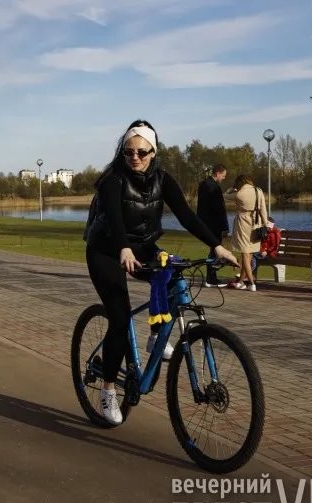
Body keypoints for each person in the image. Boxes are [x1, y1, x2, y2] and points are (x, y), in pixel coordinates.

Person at [83, 119, 239, 425]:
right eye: (129, 152)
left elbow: (187, 216)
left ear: (153, 151)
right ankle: (109, 388)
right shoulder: (113, 179)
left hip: (142, 247)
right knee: (119, 316)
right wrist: (123, 247)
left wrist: (216, 246)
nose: (135, 158)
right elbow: (114, 217)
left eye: (142, 152)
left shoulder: (163, 179)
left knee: (173, 274)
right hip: (105, 250)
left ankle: (156, 336)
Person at [230, 174, 268, 292]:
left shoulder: (239, 193)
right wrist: (265, 225)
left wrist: (231, 189)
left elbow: (225, 196)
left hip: (243, 224)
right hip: (256, 224)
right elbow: (263, 209)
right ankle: (241, 282)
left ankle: (251, 283)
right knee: (249, 254)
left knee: (245, 255)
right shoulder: (258, 191)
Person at [196, 164, 229, 287]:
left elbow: (201, 207)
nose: (224, 178)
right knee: (215, 249)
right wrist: (224, 226)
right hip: (215, 224)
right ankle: (211, 277)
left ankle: (211, 276)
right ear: (218, 173)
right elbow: (220, 209)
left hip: (205, 222)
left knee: (212, 249)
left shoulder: (203, 185)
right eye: (223, 175)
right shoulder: (215, 187)